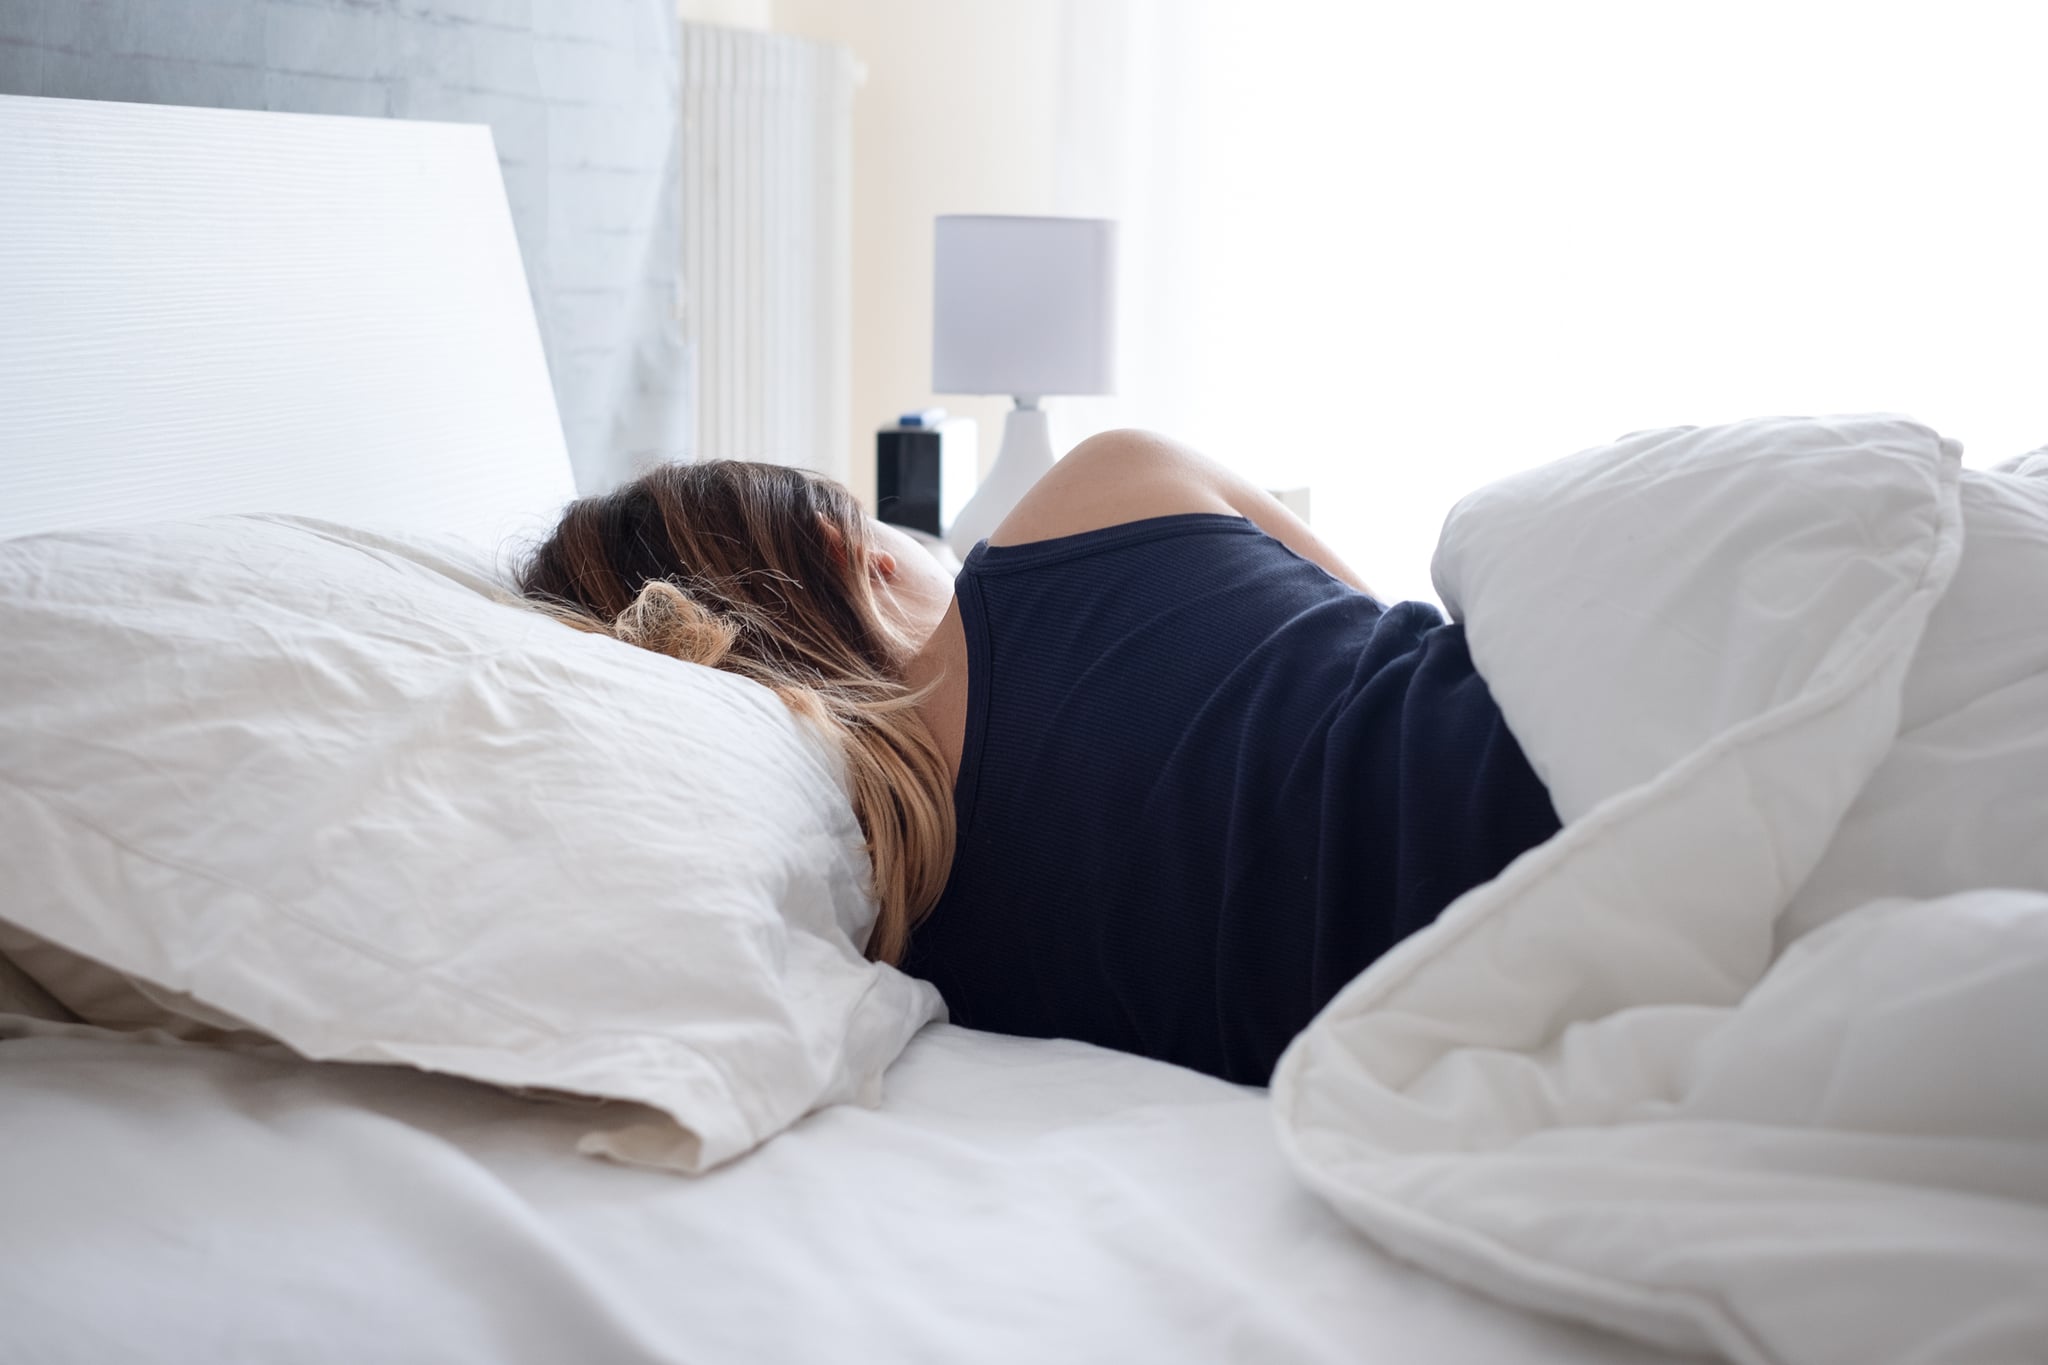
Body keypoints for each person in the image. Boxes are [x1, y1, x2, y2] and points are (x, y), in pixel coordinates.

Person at [518, 428, 1559, 1085]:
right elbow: (1410, 628)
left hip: (1495, 1018)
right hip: (1568, 769)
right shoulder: (1107, 488)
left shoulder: (900, 941)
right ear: (859, 555)